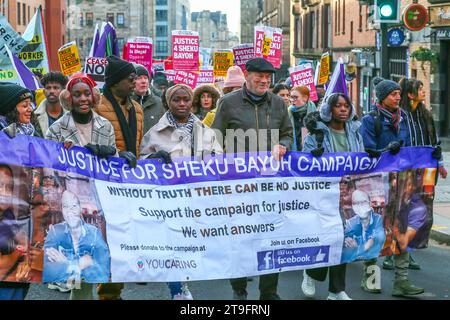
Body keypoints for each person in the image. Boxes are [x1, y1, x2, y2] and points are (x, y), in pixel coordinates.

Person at [212, 58, 293, 300]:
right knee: (240, 238)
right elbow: (214, 139)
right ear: (248, 76)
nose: (264, 81)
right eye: (259, 76)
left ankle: (269, 292)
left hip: (271, 184)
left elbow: (288, 133)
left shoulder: (279, 103)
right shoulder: (227, 103)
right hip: (239, 185)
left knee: (271, 236)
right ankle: (239, 287)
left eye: (268, 77)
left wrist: (283, 145)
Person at [139, 83, 222, 300]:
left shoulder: (206, 131)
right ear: (168, 102)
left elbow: (219, 162)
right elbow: (140, 165)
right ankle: (177, 289)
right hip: (168, 201)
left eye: (186, 99)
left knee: (189, 246)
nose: (182, 104)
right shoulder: (155, 133)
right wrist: (153, 159)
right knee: (172, 246)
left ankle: (184, 282)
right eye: (177, 100)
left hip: (196, 199)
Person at [359, 79, 427, 297]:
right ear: (381, 97)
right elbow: (367, 150)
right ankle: (371, 278)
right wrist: (385, 150)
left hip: (402, 183)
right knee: (375, 230)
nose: (398, 97)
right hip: (378, 184)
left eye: (399, 93)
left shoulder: (404, 118)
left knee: (402, 230)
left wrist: (428, 155)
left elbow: (411, 146)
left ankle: (401, 282)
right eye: (393, 94)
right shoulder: (370, 121)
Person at [301, 92, 364, 300]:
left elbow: (361, 162)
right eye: (338, 106)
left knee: (344, 240)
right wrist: (313, 157)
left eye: (346, 106)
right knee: (325, 239)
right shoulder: (316, 135)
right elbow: (304, 164)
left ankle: (336, 290)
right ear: (329, 110)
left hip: (347, 195)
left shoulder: (355, 133)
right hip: (323, 196)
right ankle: (311, 272)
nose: (343, 109)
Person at [42, 191, 110, 300]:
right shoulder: (55, 231)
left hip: (82, 285)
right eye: (65, 206)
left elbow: (103, 265)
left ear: (80, 208)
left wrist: (66, 264)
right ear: (62, 210)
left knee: (82, 289)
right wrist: (75, 265)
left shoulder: (94, 233)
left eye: (74, 206)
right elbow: (46, 266)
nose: (70, 210)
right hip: (73, 281)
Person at [95, 55, 144, 162]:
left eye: (135, 78)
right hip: (106, 172)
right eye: (131, 79)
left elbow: (140, 147)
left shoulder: (137, 109)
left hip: (131, 173)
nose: (135, 82)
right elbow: (92, 144)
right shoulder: (96, 107)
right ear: (115, 82)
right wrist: (118, 155)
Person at [0, 165, 30, 300]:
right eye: (0, 186)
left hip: (12, 287)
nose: (5, 193)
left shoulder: (9, 216)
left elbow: (24, 241)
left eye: (9, 188)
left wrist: (25, 261)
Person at [341, 190, 386, 263]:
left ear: (370, 203)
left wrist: (357, 249)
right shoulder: (350, 223)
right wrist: (347, 240)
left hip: (372, 258)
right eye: (356, 203)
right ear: (352, 206)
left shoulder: (378, 219)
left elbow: (375, 240)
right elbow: (345, 239)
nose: (360, 206)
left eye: (363, 202)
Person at [131, 64, 165, 135]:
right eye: (139, 78)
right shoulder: (125, 102)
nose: (143, 81)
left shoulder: (159, 103)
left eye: (146, 78)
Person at [33, 72, 69, 137]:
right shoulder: (33, 116)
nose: (52, 91)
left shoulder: (73, 113)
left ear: (63, 91)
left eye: (56, 88)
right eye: (48, 88)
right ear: (44, 91)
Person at [289, 86, 317, 151]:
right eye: (291, 97)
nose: (292, 100)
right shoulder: (287, 112)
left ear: (305, 98)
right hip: (292, 155)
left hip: (310, 154)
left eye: (295, 97)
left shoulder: (314, 114)